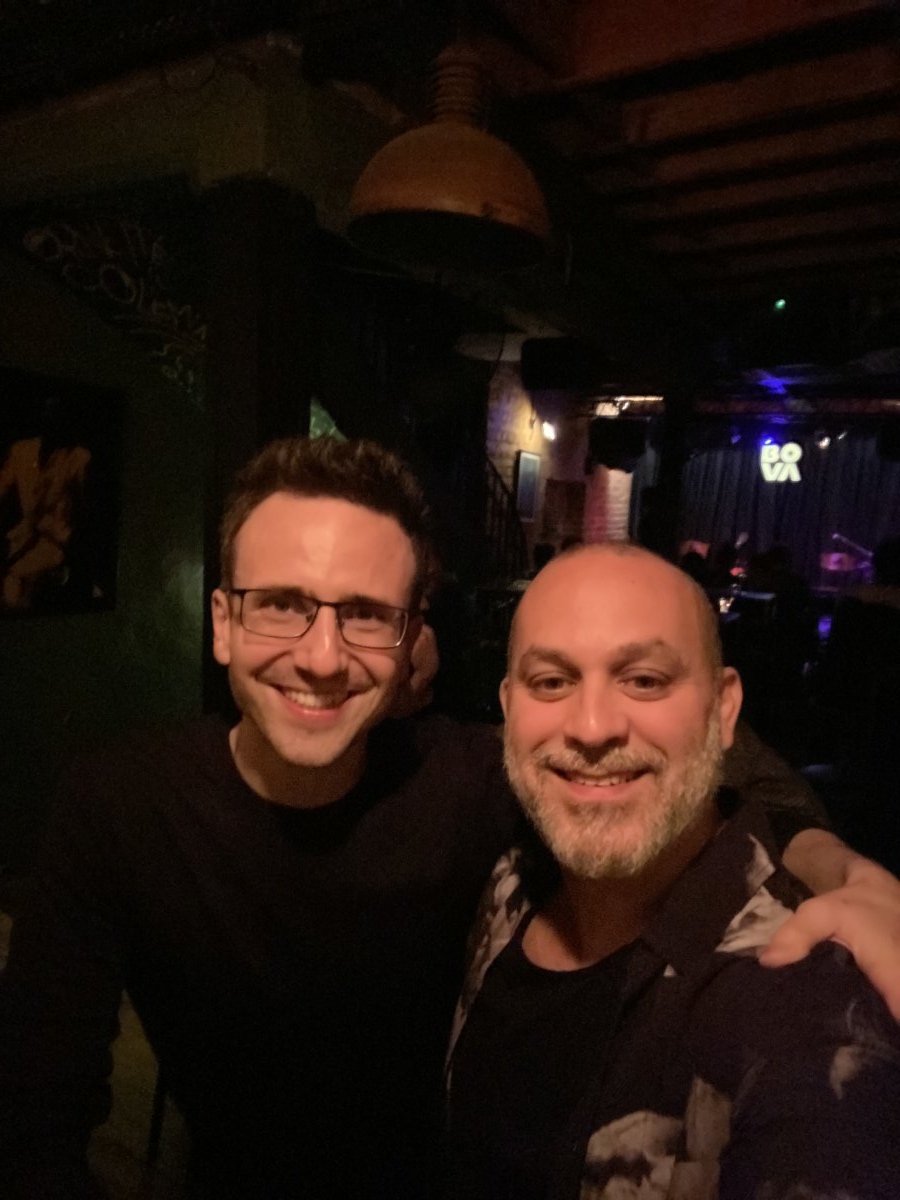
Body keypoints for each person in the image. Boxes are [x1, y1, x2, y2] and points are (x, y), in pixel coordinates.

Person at [0, 438, 898, 1200]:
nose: (321, 657)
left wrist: (840, 867)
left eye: (365, 615)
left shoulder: (466, 781)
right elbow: (35, 1111)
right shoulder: (116, 805)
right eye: (281, 606)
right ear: (223, 623)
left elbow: (688, 768)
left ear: (408, 643)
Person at [445, 543, 900, 1199]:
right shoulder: (509, 876)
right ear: (508, 707)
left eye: (645, 680)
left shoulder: (799, 1008)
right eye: (551, 682)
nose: (592, 726)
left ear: (724, 709)